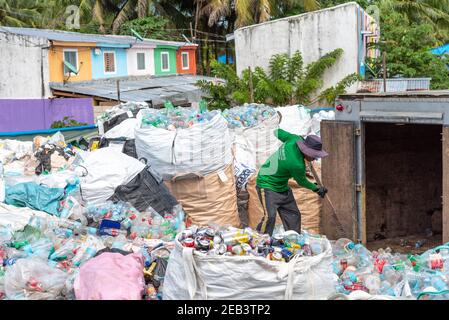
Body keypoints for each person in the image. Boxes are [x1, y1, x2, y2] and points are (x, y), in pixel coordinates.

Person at [256, 127, 329, 236]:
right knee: (270, 217)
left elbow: (277, 131)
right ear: (305, 150)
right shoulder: (297, 164)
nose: (315, 159)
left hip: (282, 186)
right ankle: (260, 241)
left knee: (293, 215)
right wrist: (317, 188)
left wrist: (275, 123)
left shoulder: (294, 138)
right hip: (267, 184)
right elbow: (302, 182)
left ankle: (293, 241)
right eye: (313, 155)